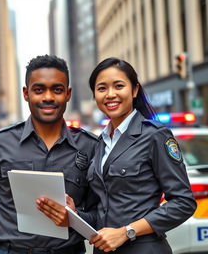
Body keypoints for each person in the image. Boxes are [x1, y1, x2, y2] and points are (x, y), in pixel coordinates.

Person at [37, 57, 197, 254]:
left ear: (134, 90)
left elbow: (183, 203)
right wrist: (74, 214)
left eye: (118, 86)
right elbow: (102, 215)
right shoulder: (101, 143)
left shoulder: (154, 136)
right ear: (95, 95)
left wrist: (126, 232)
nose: (110, 94)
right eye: (102, 88)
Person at [0, 55, 98, 254]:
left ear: (68, 94)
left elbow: (102, 213)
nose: (48, 97)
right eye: (39, 89)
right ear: (26, 93)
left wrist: (76, 217)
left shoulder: (90, 146)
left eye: (57, 90)